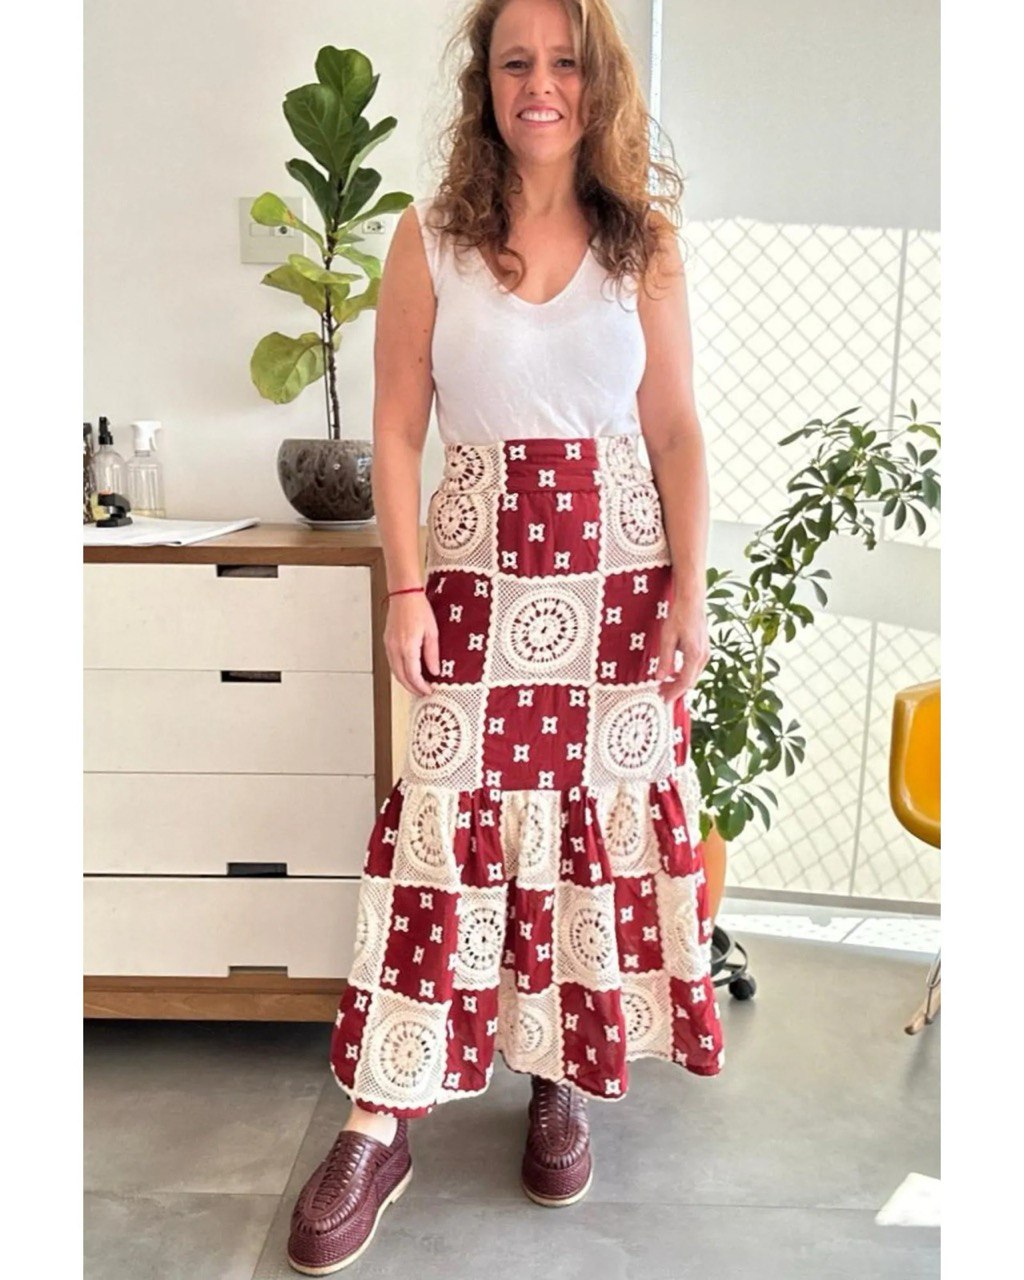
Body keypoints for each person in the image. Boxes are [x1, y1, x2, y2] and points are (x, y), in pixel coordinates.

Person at [287, 0, 724, 1272]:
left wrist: (688, 589)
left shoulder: (645, 242)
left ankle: (561, 1073)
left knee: (586, 824)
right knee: (444, 820)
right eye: (516, 62)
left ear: (600, 81)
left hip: (616, 587)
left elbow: (676, 428)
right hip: (474, 579)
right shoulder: (426, 236)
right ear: (485, 82)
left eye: (564, 62)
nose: (541, 84)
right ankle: (380, 1118)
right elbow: (396, 426)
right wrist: (406, 587)